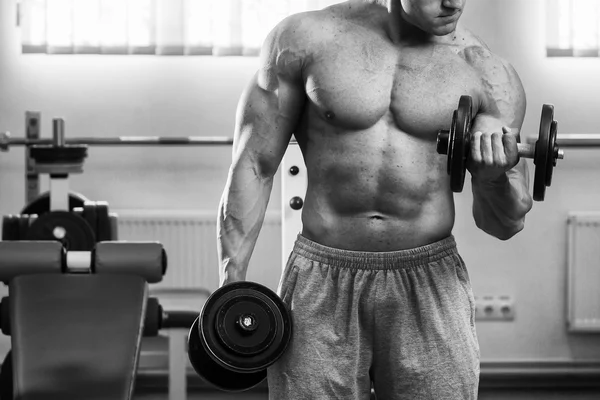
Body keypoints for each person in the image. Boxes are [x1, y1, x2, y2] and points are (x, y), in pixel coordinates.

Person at [216, 0, 532, 398]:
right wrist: (230, 285)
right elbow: (255, 165)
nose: (454, 3)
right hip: (321, 276)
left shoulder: (487, 74)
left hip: (429, 281)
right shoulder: (304, 40)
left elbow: (504, 222)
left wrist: (493, 175)